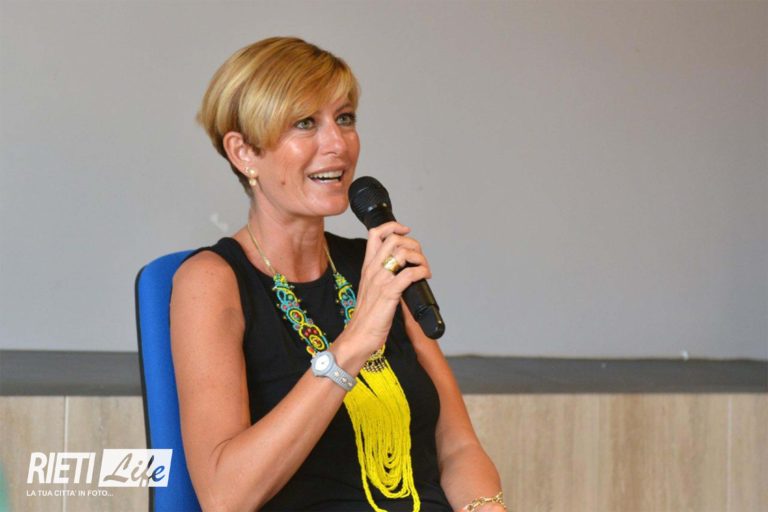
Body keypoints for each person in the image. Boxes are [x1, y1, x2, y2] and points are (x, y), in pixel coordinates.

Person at [170, 36, 505, 512]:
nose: (337, 144)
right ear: (243, 152)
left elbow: (458, 446)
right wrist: (354, 343)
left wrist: (486, 508)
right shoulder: (211, 281)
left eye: (344, 118)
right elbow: (226, 496)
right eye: (305, 123)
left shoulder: (376, 263)